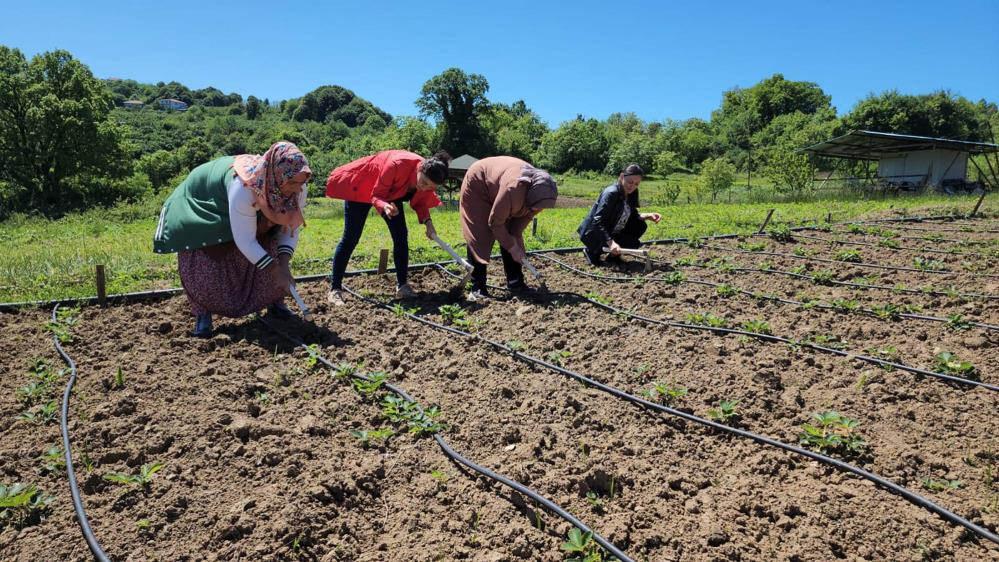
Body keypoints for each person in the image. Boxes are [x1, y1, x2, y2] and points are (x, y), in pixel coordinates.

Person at [153, 141, 311, 337]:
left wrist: (284, 266)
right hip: (205, 204)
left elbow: (289, 228)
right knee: (209, 259)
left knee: (269, 239)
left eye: (301, 182)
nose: (297, 189)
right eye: (293, 183)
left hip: (240, 207)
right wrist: (274, 269)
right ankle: (203, 315)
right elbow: (245, 240)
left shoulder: (299, 188)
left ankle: (275, 303)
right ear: (277, 176)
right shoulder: (244, 187)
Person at [324, 150, 451, 305]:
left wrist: (428, 224)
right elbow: (376, 194)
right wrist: (384, 206)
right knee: (351, 238)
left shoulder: (428, 179)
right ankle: (335, 289)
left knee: (401, 236)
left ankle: (402, 287)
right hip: (362, 185)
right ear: (420, 169)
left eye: (430, 187)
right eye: (423, 182)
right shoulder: (397, 165)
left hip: (392, 193)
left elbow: (421, 202)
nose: (424, 188)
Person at [459, 156, 557, 300]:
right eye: (536, 207)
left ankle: (515, 282)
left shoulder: (539, 195)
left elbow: (516, 229)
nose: (538, 210)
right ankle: (477, 287)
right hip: (479, 184)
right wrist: (512, 247)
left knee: (511, 234)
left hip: (504, 189)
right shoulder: (513, 189)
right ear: (530, 196)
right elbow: (495, 223)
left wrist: (517, 245)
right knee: (480, 234)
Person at [577, 163, 661, 266]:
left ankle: (613, 256)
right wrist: (610, 242)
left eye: (636, 184)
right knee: (597, 260)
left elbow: (631, 214)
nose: (633, 186)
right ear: (622, 176)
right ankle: (592, 251)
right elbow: (597, 221)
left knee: (639, 228)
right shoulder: (611, 193)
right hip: (594, 233)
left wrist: (648, 215)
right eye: (630, 182)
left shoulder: (631, 193)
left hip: (613, 230)